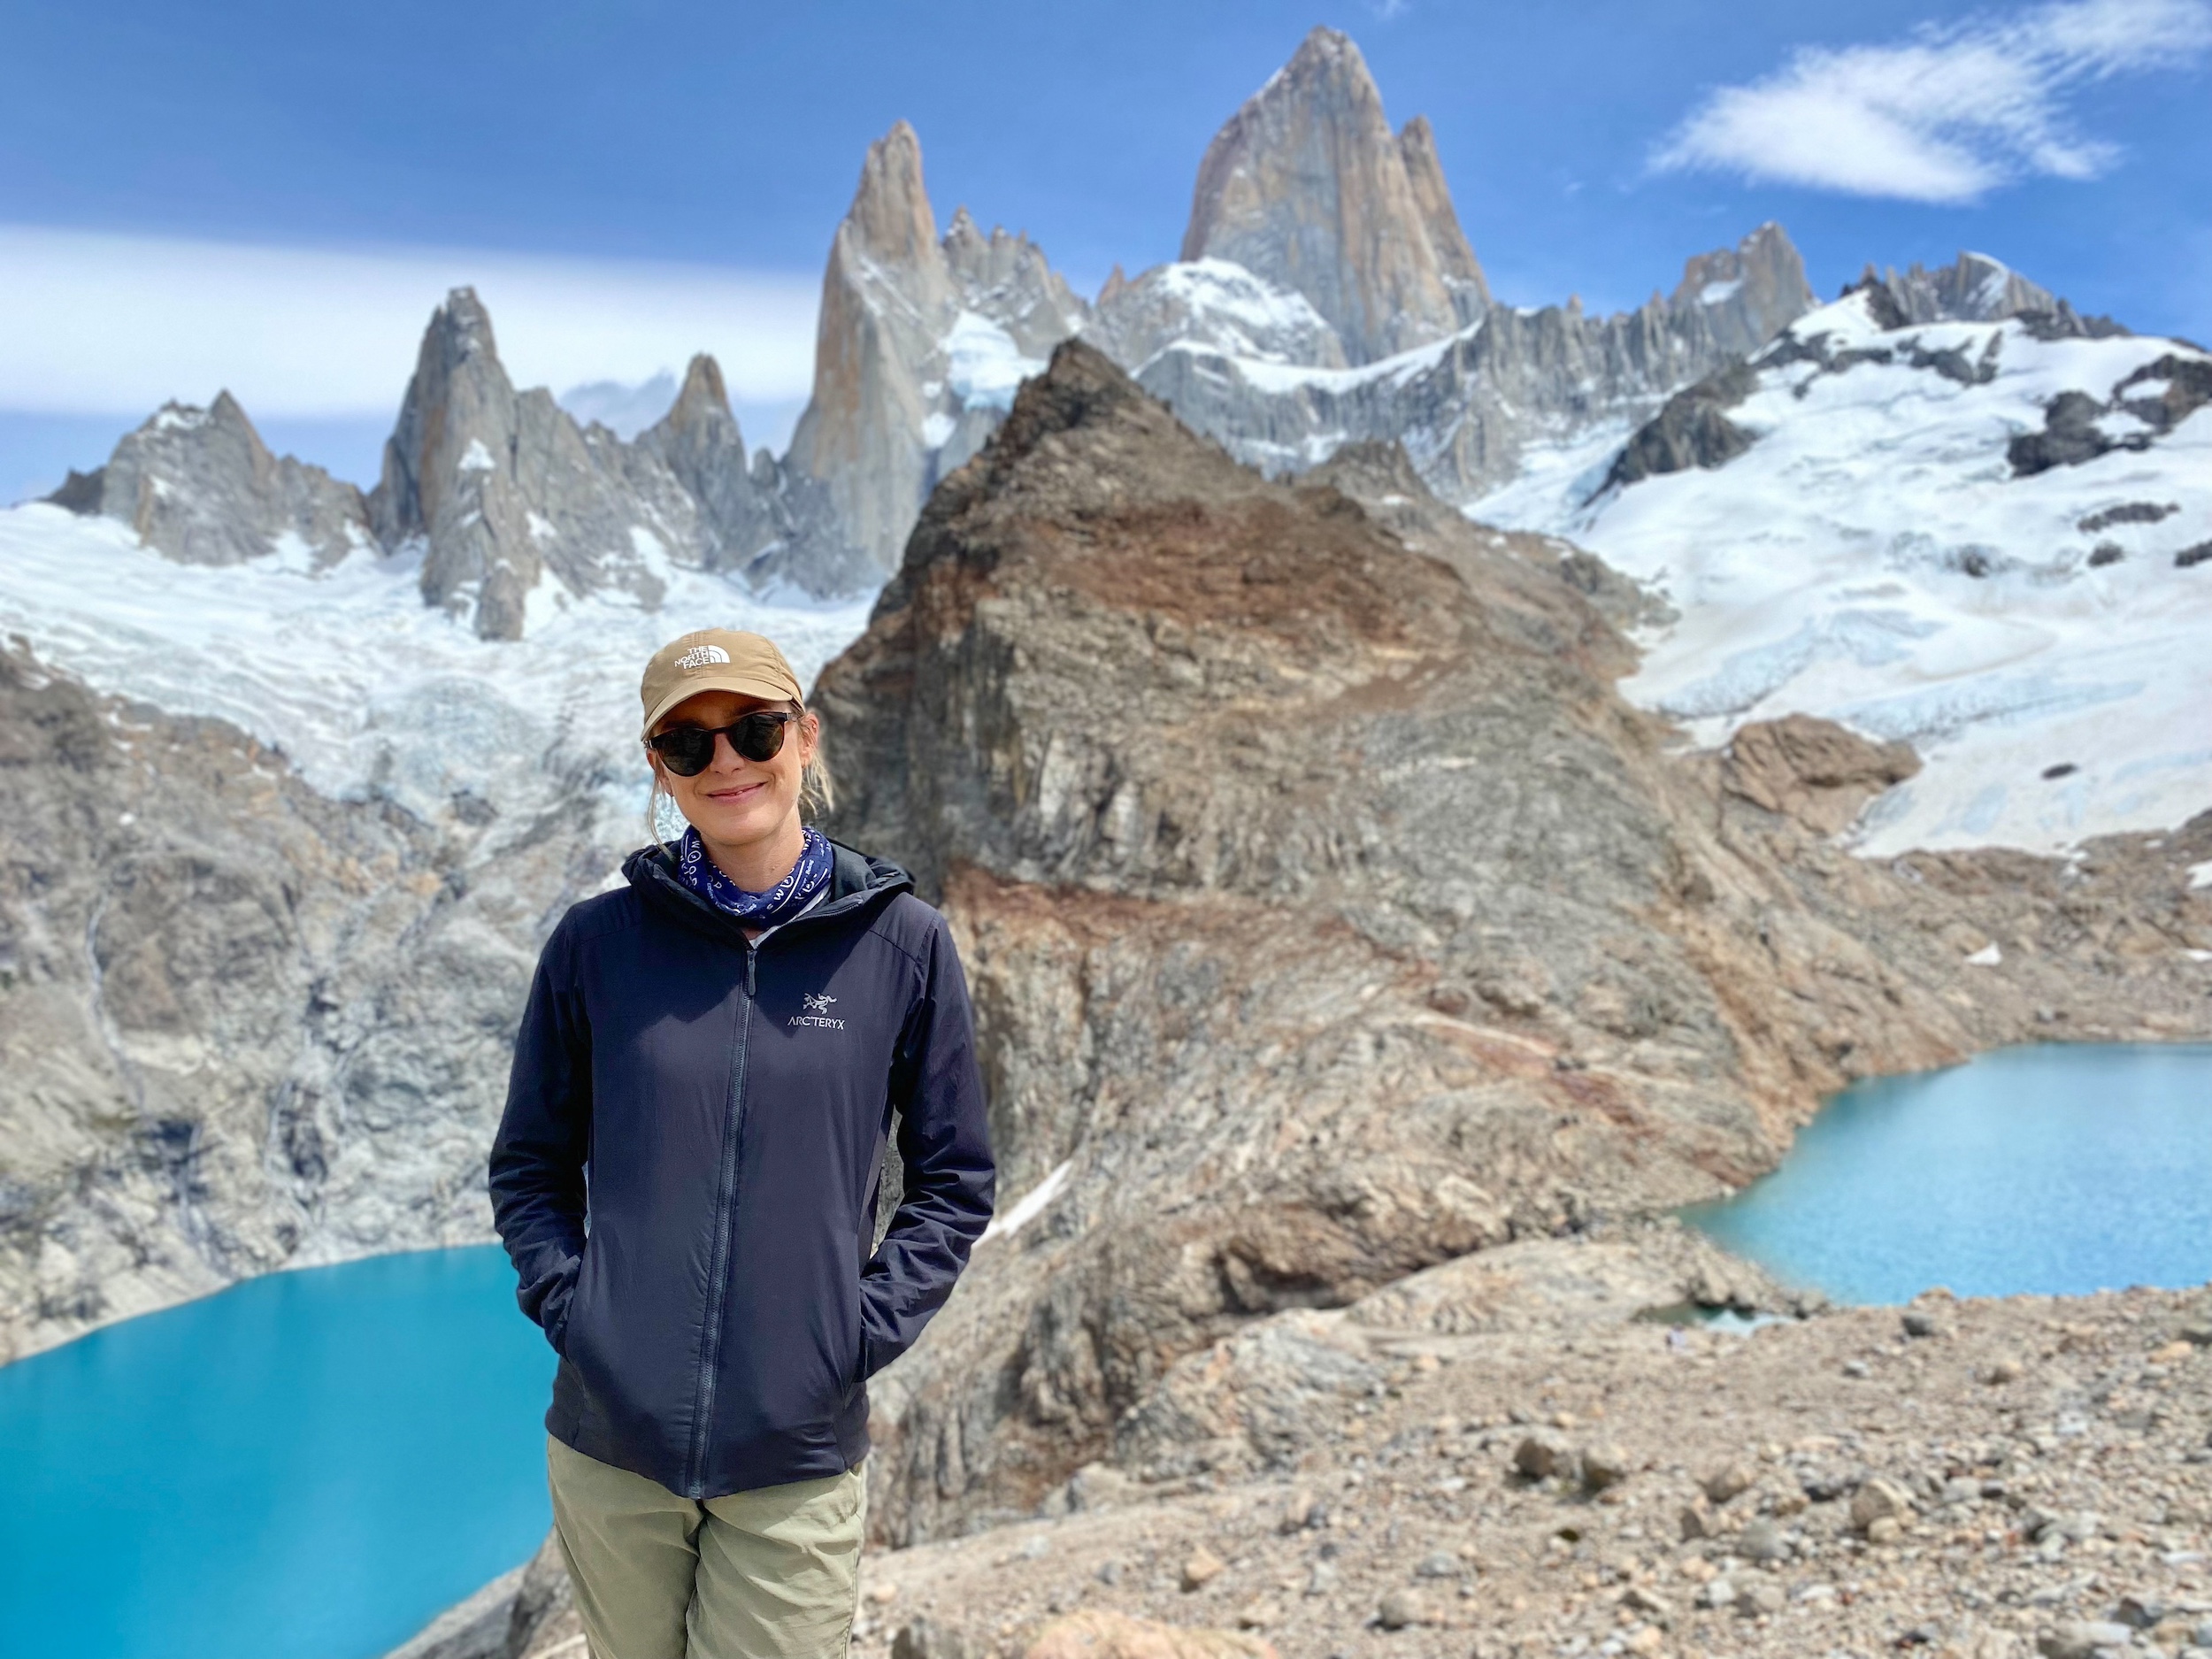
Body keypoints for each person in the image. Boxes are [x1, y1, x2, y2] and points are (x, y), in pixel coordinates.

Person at [489, 627, 995, 1659]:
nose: (726, 762)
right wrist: (578, 1312)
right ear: (659, 771)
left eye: (752, 729)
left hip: (794, 1448)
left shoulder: (902, 945)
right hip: (610, 1446)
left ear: (803, 738)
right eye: (688, 745)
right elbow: (530, 1165)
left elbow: (952, 1183)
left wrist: (846, 1340)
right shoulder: (597, 944)